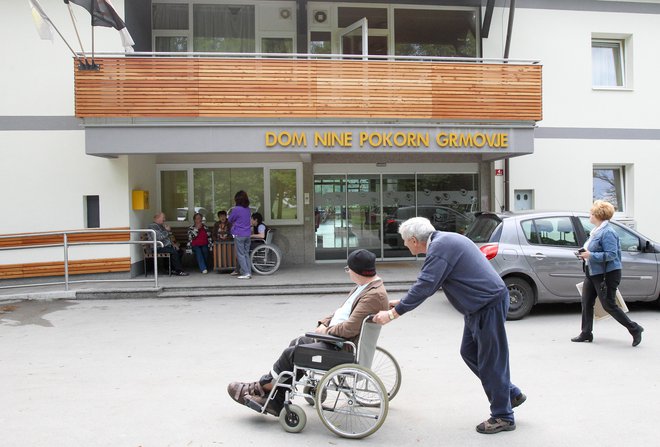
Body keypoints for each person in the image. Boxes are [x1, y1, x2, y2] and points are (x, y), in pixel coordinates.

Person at [372, 217, 525, 435]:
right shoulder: (444, 242)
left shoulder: (441, 248)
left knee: (491, 361)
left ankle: (503, 416)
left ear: (414, 240)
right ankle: (510, 393)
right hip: (479, 306)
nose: (404, 244)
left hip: (487, 305)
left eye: (405, 241)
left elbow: (425, 285)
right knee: (470, 352)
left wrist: (394, 313)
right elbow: (430, 283)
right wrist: (403, 302)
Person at [227, 249, 388, 416]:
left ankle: (264, 385)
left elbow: (349, 329)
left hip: (341, 346)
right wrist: (323, 323)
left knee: (294, 353)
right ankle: (277, 398)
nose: (348, 273)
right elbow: (341, 312)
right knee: (298, 343)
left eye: (349, 270)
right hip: (335, 338)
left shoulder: (373, 295)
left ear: (358, 272)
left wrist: (326, 330)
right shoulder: (365, 286)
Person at [573, 200, 644, 346]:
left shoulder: (608, 232)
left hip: (607, 274)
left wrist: (590, 255)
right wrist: (584, 254)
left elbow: (611, 255)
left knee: (609, 305)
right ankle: (586, 333)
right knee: (586, 301)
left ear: (598, 215)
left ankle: (635, 328)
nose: (589, 216)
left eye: (591, 213)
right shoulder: (596, 231)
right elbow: (593, 250)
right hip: (592, 272)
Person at [148, 212, 188, 276]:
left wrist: (173, 244)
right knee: (174, 252)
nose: (164, 219)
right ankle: (179, 271)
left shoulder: (161, 226)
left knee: (179, 251)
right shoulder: (152, 226)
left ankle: (170, 269)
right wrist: (167, 230)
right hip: (158, 247)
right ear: (157, 218)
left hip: (165, 246)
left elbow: (168, 237)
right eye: (163, 218)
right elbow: (159, 238)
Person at [228, 191, 253, 279]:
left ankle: (245, 273)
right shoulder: (248, 209)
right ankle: (248, 272)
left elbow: (230, 220)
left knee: (240, 254)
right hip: (248, 234)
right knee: (246, 254)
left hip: (239, 234)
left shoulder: (236, 209)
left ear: (237, 199)